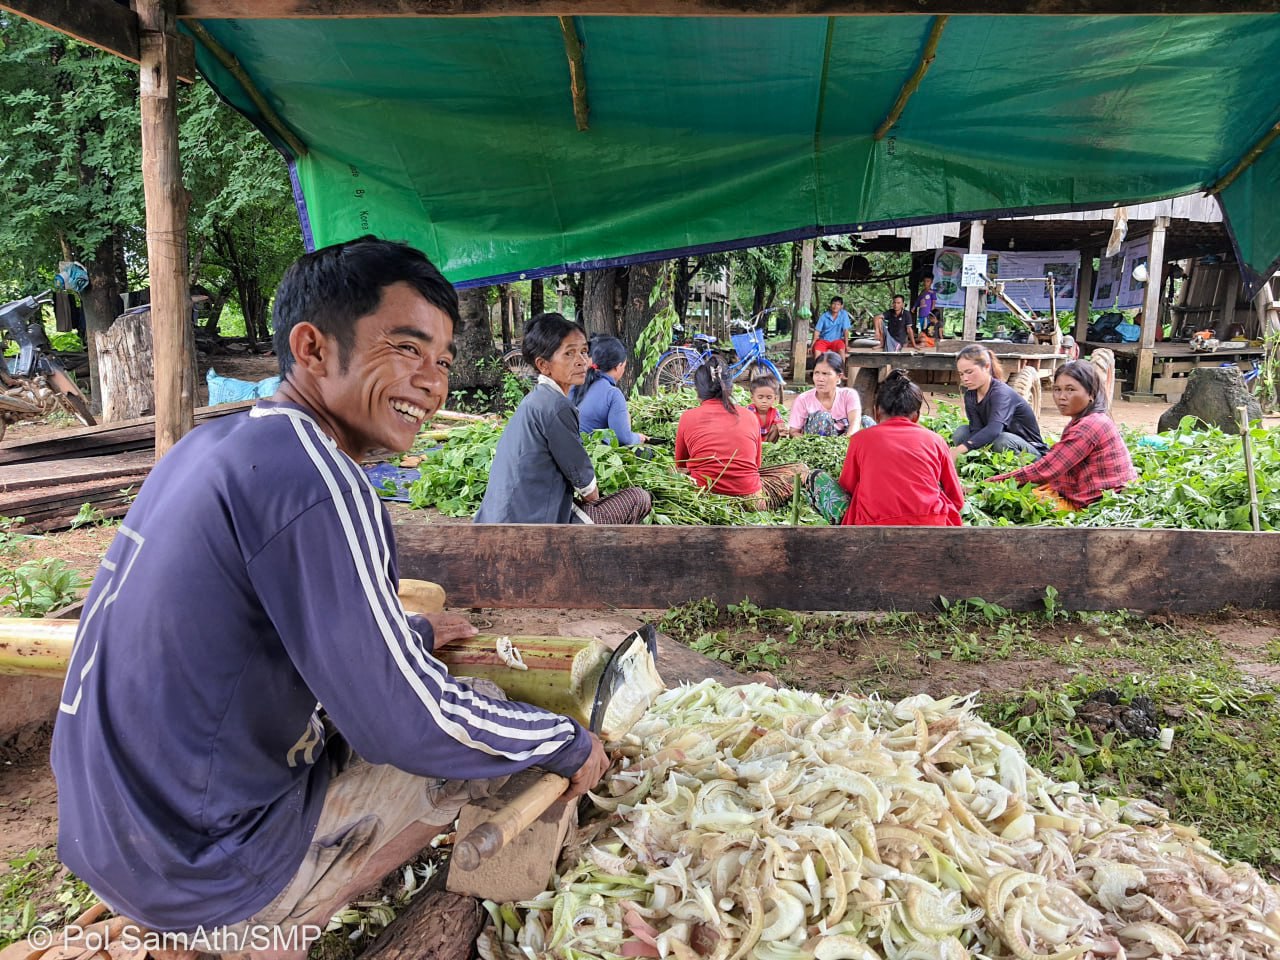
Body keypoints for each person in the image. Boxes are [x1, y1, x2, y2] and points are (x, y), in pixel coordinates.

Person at [50, 238, 611, 956]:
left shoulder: (210, 447)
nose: (433, 384)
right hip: (199, 869)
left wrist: (399, 637)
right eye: (407, 349)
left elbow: (260, 633)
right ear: (313, 349)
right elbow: (401, 723)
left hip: (109, 836)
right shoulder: (317, 476)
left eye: (442, 361)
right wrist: (561, 740)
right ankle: (266, 924)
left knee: (420, 691)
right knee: (496, 725)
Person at [476, 314, 651, 524]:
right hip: (530, 529)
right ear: (543, 365)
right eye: (569, 354)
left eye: (584, 352)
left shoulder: (537, 400)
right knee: (639, 498)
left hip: (503, 518)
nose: (581, 361)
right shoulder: (556, 406)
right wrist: (595, 502)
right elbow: (586, 484)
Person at [988, 360, 1136, 510]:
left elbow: (1045, 470)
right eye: (1057, 390)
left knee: (1019, 500)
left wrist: (988, 484)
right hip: (1093, 493)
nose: (1061, 397)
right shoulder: (1086, 420)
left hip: (1101, 503)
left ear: (1091, 394)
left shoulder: (1089, 425)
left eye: (1070, 390)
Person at [674, 357, 807, 510]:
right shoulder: (749, 416)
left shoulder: (687, 417)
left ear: (698, 392)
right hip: (751, 501)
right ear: (730, 388)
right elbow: (756, 465)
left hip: (704, 501)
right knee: (801, 469)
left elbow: (681, 465)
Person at [837, 370, 964, 526]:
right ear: (916, 416)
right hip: (932, 523)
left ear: (876, 412)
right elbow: (957, 499)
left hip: (872, 526)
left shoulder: (859, 440)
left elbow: (846, 487)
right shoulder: (936, 440)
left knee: (818, 477)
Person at [949, 344, 1047, 462]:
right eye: (961, 374)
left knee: (1002, 440)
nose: (965, 378)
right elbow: (976, 428)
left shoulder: (1001, 393)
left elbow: (994, 429)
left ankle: (1018, 471)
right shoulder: (971, 394)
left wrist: (958, 450)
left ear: (986, 367)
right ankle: (984, 462)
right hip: (996, 442)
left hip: (1029, 450)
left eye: (969, 372)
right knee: (962, 432)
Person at [571, 335, 647, 445]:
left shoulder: (575, 384)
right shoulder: (613, 394)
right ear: (618, 366)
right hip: (587, 454)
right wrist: (638, 438)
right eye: (624, 366)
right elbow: (623, 439)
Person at [788, 351, 863, 437]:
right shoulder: (803, 400)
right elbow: (793, 432)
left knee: (866, 422)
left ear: (839, 376)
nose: (820, 379)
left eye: (825, 374)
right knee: (822, 417)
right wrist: (809, 443)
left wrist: (845, 443)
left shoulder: (849, 395)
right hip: (816, 446)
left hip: (845, 443)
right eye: (817, 373)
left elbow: (855, 423)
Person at [748, 375, 784, 443]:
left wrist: (782, 429)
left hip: (768, 440)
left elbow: (780, 424)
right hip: (753, 440)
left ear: (775, 399)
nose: (764, 401)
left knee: (775, 427)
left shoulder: (775, 412)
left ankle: (769, 446)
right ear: (752, 398)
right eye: (760, 397)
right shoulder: (749, 410)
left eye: (769, 398)